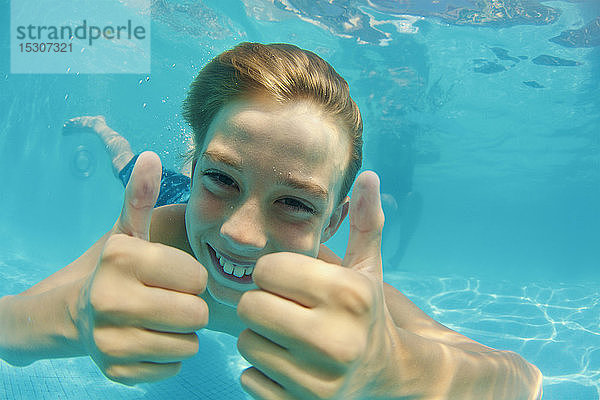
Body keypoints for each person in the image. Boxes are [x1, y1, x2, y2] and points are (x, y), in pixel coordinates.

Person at [0, 42, 542, 399]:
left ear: (334, 223)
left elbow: (525, 380)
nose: (240, 233)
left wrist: (398, 367)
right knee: (129, 166)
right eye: (223, 177)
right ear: (201, 165)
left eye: (296, 204)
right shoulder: (158, 236)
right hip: (178, 197)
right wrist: (73, 318)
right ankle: (116, 134)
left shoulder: (337, 291)